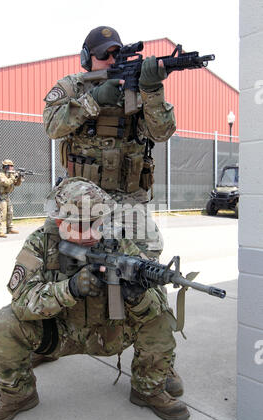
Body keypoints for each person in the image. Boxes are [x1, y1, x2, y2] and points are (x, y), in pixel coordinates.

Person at [0, 178, 189, 420]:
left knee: (160, 317)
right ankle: (18, 395)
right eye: (79, 226)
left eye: (95, 223)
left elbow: (155, 306)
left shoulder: (119, 243)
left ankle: (148, 389)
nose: (89, 235)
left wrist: (137, 295)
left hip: (111, 332)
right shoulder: (40, 243)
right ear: (58, 221)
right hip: (60, 334)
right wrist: (70, 289)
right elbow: (22, 301)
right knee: (4, 323)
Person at [43, 25, 181, 383]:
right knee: (54, 266)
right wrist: (93, 99)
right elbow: (52, 125)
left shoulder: (136, 87)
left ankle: (156, 364)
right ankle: (43, 340)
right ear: (88, 57)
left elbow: (162, 132)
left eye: (117, 53)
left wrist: (151, 89)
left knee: (148, 273)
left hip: (130, 202)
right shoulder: (73, 85)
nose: (111, 59)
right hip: (81, 201)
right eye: (104, 54)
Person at [0, 159, 24, 238]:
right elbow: (6, 183)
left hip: (6, 195)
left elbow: (16, 184)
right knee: (2, 213)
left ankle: (9, 228)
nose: (12, 168)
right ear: (5, 166)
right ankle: (0, 231)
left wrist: (19, 177)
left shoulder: (9, 174)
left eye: (12, 166)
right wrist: (14, 176)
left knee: (10, 212)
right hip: (0, 195)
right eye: (10, 166)